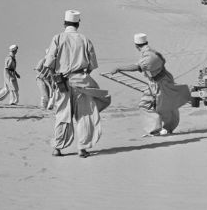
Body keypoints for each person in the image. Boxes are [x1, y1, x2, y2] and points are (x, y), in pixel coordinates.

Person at [45, 10, 110, 158]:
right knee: (85, 115)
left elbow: (49, 63)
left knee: (62, 115)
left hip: (62, 82)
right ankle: (83, 148)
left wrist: (55, 78)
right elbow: (92, 64)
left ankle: (58, 148)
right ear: (78, 23)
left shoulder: (58, 38)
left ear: (64, 23)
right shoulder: (84, 39)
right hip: (82, 82)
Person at [112, 33, 191, 136]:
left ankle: (162, 128)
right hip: (155, 83)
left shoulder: (149, 55)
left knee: (164, 105)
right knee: (157, 104)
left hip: (162, 83)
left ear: (136, 45)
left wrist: (119, 68)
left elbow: (137, 67)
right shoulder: (148, 52)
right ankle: (162, 128)